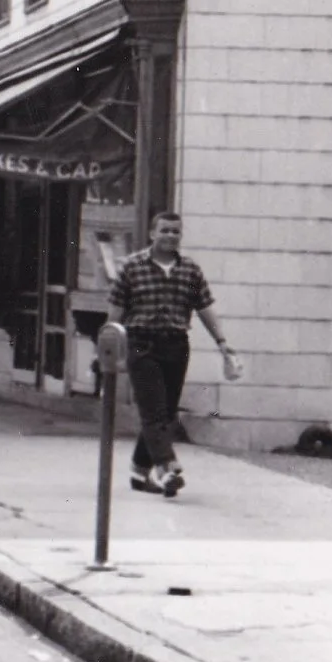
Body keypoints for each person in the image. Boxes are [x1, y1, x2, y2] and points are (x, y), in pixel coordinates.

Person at [109, 210, 241, 495]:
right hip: (141, 344)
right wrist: (108, 351)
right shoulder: (131, 267)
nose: (170, 236)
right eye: (165, 230)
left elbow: (205, 308)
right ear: (152, 234)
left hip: (176, 345)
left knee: (166, 413)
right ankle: (167, 468)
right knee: (154, 410)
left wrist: (221, 341)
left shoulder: (190, 270)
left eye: (176, 231)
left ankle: (138, 472)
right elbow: (114, 315)